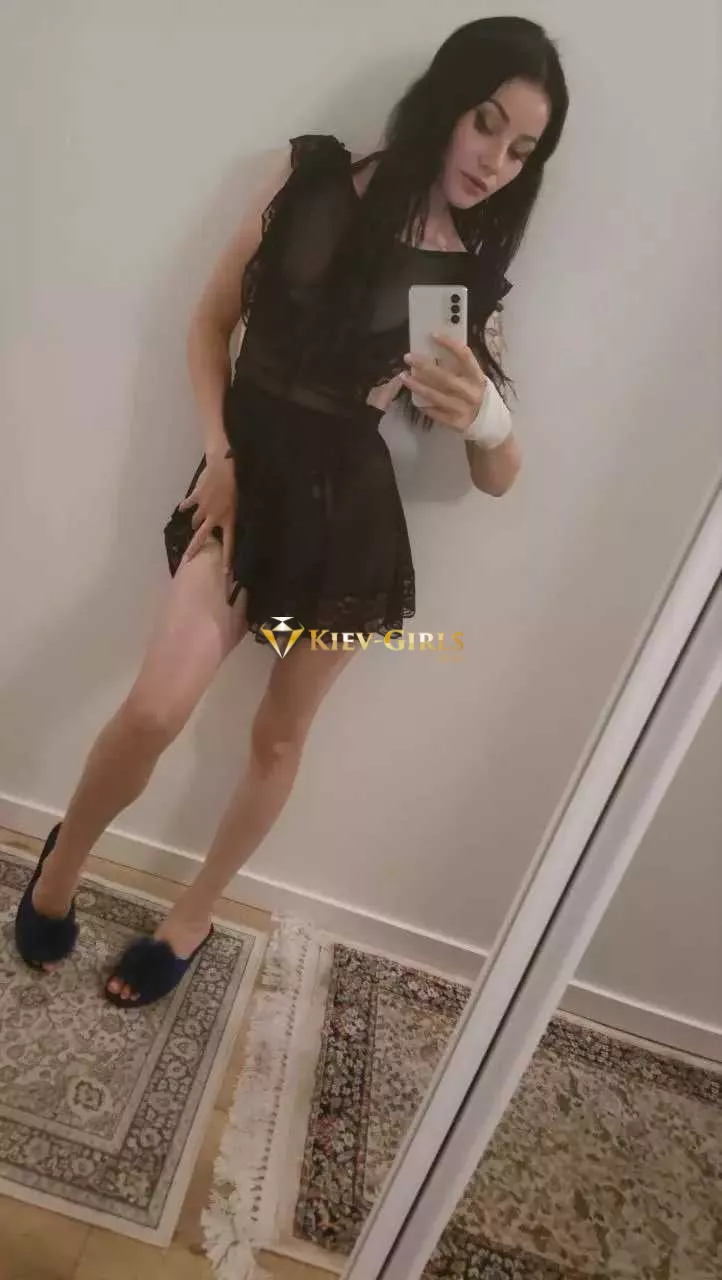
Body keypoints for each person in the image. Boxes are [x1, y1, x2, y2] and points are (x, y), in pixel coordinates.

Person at [14, 16, 569, 1005]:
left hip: (348, 521)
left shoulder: (459, 277)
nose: (495, 161)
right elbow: (208, 321)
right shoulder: (310, 177)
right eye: (486, 123)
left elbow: (496, 475)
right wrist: (219, 455)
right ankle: (60, 866)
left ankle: (193, 914)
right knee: (156, 707)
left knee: (277, 738)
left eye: (522, 150)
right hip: (243, 483)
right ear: (445, 101)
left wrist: (486, 416)